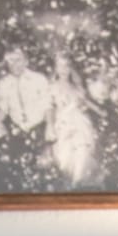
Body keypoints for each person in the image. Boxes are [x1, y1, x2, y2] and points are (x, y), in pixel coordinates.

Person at [46, 57, 99, 187]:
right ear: (56, 69)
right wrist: (50, 125)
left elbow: (86, 102)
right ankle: (69, 180)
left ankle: (78, 181)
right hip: (63, 122)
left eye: (66, 66)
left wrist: (99, 110)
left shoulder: (76, 87)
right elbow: (49, 107)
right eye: (60, 66)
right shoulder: (51, 87)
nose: (64, 70)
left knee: (82, 148)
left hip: (79, 121)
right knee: (64, 157)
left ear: (70, 68)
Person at [0, 44, 52, 152]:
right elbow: (3, 107)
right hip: (17, 129)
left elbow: (47, 105)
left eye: (18, 60)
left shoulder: (39, 79)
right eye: (11, 60)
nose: (15, 64)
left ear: (26, 61)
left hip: (39, 128)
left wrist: (50, 126)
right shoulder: (4, 83)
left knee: (43, 161)